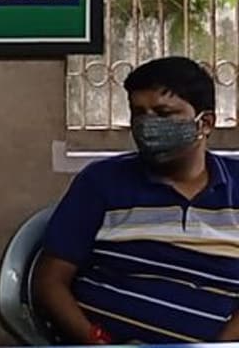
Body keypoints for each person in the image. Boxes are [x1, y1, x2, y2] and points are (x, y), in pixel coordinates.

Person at [34, 56, 239, 344]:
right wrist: (96, 341)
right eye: (138, 113)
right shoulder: (102, 181)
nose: (147, 124)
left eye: (163, 113)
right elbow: (49, 282)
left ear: (205, 123)